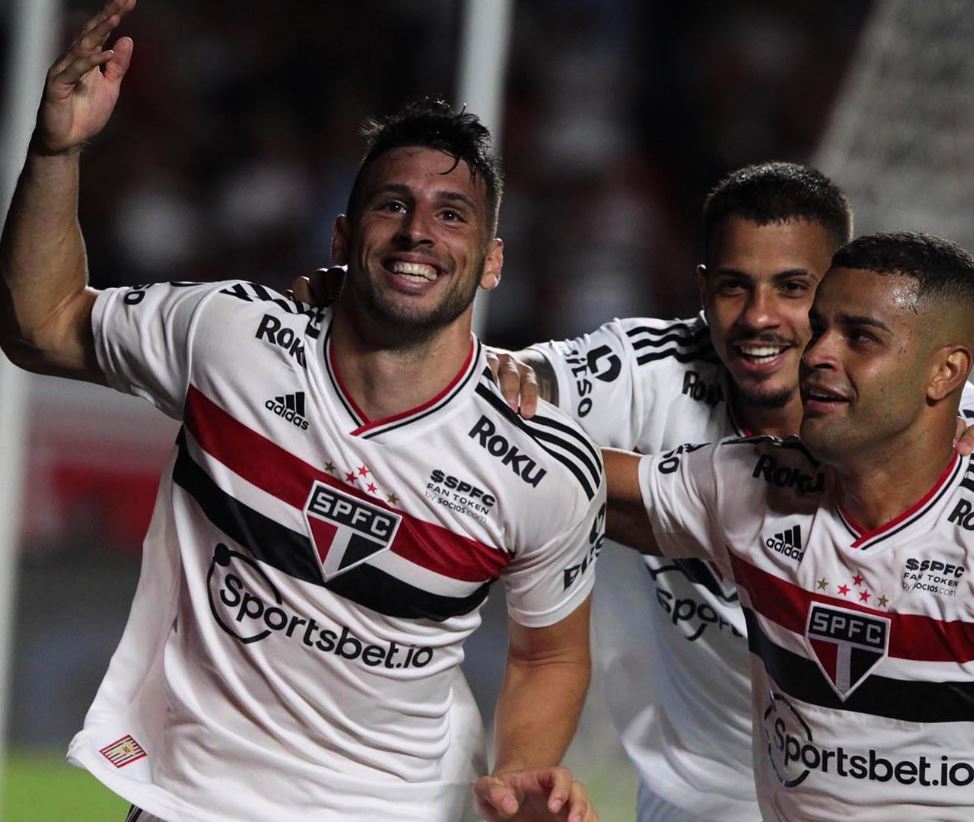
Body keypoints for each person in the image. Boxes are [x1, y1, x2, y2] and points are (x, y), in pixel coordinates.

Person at [0, 2, 602, 820]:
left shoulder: (541, 465)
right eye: (394, 206)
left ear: (491, 261)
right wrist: (57, 149)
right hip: (192, 801)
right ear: (343, 236)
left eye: (452, 215)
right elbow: (40, 328)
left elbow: (550, 654)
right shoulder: (231, 338)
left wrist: (517, 772)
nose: (419, 232)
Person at [491, 163, 974, 821]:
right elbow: (503, 378)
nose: (760, 317)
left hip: (879, 787)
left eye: (793, 288)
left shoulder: (935, 415)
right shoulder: (652, 372)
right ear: (703, 290)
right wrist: (365, 314)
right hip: (707, 794)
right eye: (736, 288)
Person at [603, 231, 974, 820]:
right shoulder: (753, 482)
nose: (818, 354)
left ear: (945, 373)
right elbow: (564, 482)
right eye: (820, 327)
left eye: (860, 337)